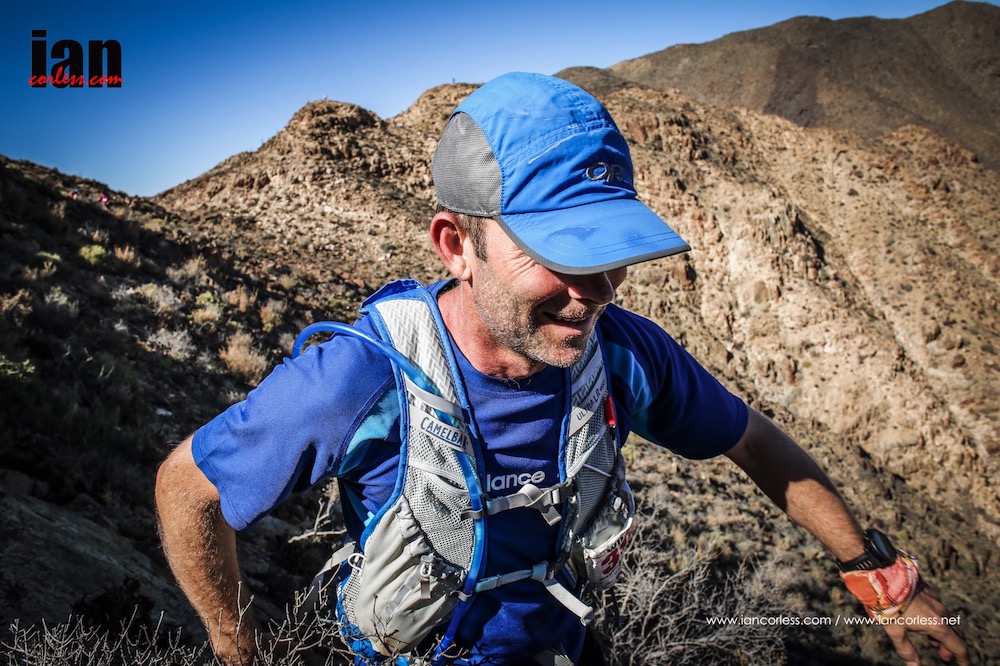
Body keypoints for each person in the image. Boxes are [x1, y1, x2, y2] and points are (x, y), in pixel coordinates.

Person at [155, 72, 971, 666]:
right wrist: (238, 647)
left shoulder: (622, 353)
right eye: (562, 257)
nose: (599, 291)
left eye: (612, 256)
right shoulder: (360, 379)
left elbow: (751, 439)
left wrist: (880, 578)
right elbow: (186, 488)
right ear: (457, 245)